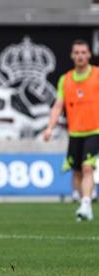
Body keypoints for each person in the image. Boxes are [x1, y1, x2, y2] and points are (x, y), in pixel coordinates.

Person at [43, 39, 99, 220]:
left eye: (83, 52)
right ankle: (85, 197)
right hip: (74, 133)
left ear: (89, 55)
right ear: (72, 56)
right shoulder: (65, 79)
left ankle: (86, 205)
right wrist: (50, 127)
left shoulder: (97, 75)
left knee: (87, 167)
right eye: (77, 52)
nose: (80, 56)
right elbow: (58, 105)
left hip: (94, 131)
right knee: (76, 171)